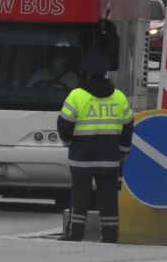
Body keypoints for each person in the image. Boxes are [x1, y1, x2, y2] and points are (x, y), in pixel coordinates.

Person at [57, 49, 134, 244]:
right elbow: (127, 128)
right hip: (109, 156)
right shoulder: (119, 97)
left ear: (85, 73)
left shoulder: (76, 96)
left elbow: (64, 124)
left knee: (79, 196)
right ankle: (110, 236)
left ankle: (75, 234)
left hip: (82, 156)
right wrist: (123, 152)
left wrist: (69, 143)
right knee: (108, 197)